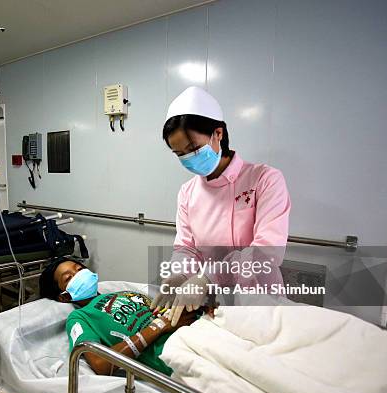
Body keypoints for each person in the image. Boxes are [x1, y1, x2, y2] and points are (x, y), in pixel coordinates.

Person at [152, 86, 291, 326]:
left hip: (258, 298)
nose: (188, 159)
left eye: (193, 149)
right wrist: (180, 274)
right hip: (206, 303)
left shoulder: (264, 179)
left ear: (218, 133)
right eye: (179, 154)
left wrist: (208, 277)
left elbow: (267, 253)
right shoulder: (188, 192)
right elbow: (187, 247)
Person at [39, 257, 214, 376]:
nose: (79, 275)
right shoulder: (80, 317)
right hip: (175, 352)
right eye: (69, 277)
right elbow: (100, 363)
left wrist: (197, 304)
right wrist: (159, 326)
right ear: (63, 296)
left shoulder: (125, 293)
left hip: (203, 328)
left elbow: (164, 312)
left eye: (80, 269)